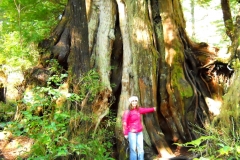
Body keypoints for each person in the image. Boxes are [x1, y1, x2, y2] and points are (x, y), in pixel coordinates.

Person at [122, 96, 156, 160]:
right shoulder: (127, 112)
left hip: (139, 132)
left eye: (135, 101)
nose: (134, 102)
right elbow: (124, 123)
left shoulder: (138, 110)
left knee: (141, 148)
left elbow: (145, 110)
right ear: (130, 102)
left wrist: (153, 109)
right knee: (133, 149)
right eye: (133, 101)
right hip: (131, 132)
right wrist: (125, 133)